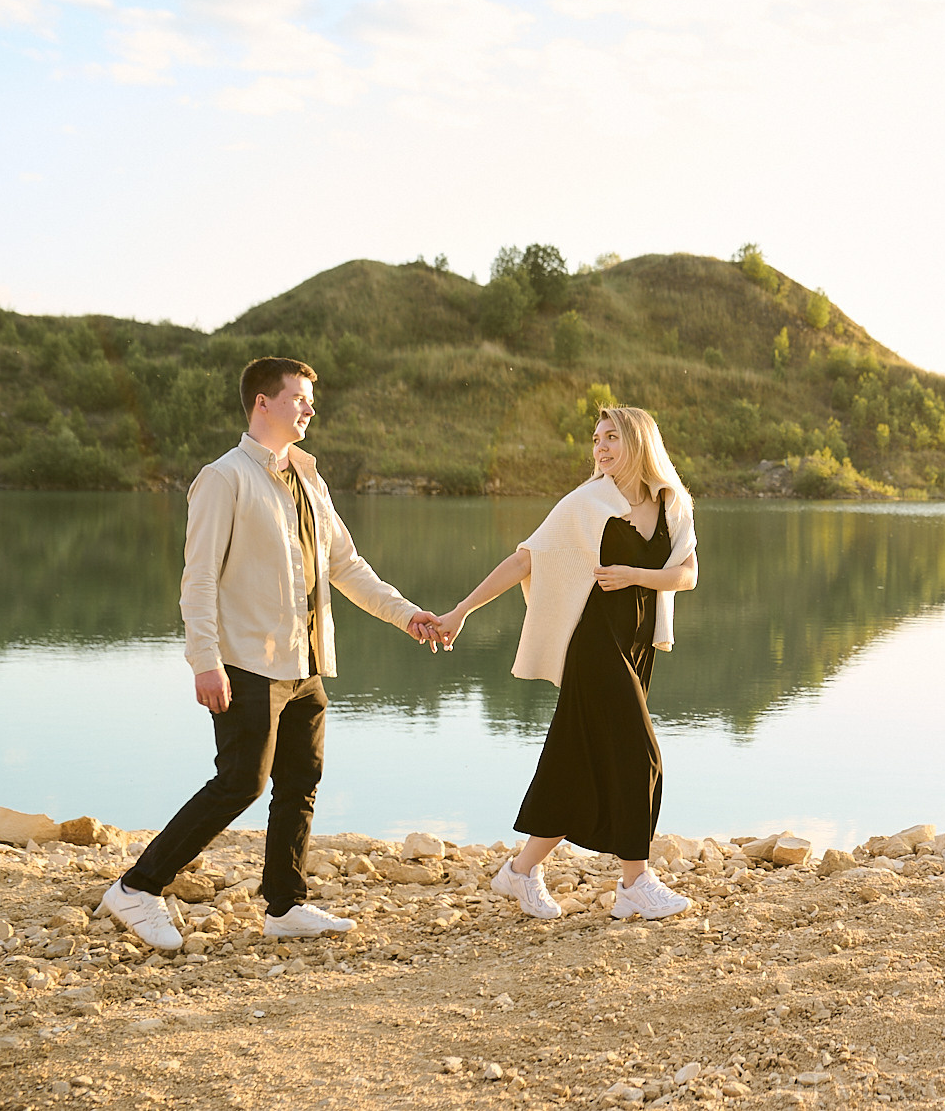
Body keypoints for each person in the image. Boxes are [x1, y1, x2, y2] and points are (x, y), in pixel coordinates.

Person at [98, 357, 443, 950]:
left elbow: (345, 567)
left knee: (300, 779)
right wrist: (203, 659)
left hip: (305, 664)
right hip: (245, 663)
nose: (310, 408)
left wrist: (407, 614)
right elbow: (198, 578)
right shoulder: (223, 478)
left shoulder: (309, 480)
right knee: (240, 783)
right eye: (300, 398)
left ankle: (285, 905)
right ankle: (136, 887)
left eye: (310, 400)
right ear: (263, 402)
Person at [433, 405, 699, 922]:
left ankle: (520, 872)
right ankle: (635, 882)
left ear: (641, 442)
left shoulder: (672, 502)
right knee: (639, 753)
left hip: (636, 644)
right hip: (593, 644)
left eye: (611, 438)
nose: (600, 448)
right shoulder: (586, 501)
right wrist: (460, 610)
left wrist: (635, 576)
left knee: (579, 762)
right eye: (596, 439)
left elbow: (686, 574)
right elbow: (526, 558)